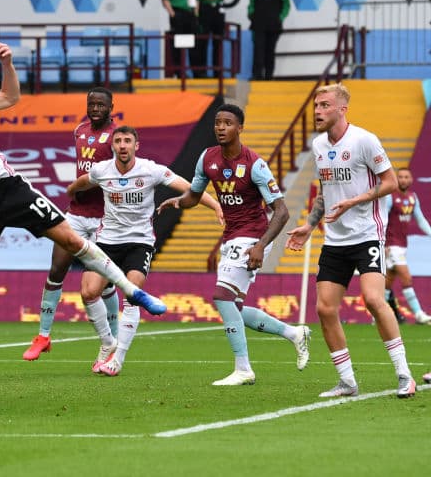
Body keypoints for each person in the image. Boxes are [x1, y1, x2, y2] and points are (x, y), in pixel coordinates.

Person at [0, 52, 169, 395]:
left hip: (8, 187)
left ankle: (134, 291)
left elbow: (10, 97)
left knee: (71, 240)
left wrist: (7, 64)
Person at [158, 104, 310, 386]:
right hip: (230, 236)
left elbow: (282, 211)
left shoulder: (255, 164)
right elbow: (195, 194)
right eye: (217, 123)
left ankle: (243, 369)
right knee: (235, 308)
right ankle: (294, 333)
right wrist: (179, 202)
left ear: (240, 128)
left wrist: (262, 246)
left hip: (252, 234)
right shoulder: (207, 158)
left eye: (227, 123)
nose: (220, 127)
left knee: (222, 296)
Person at [286, 83, 416, 398]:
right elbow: (325, 191)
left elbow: (388, 183)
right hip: (335, 240)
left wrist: (355, 201)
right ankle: (347, 381)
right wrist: (309, 224)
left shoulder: (364, 140)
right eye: (316, 106)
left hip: (367, 234)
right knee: (326, 309)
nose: (317, 111)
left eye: (325, 105)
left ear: (342, 109)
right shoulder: (318, 146)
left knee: (373, 299)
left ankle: (404, 374)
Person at [63, 126, 221, 376]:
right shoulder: (101, 170)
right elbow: (82, 183)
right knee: (88, 292)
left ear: (137, 145)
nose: (123, 145)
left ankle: (118, 359)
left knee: (133, 295)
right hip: (107, 241)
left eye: (128, 141)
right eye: (118, 141)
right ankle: (107, 343)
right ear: (112, 146)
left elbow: (189, 188)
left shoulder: (151, 170)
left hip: (140, 242)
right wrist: (72, 193)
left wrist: (215, 206)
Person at [24, 88, 121, 362]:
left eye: (101, 104)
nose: (96, 108)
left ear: (111, 106)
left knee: (106, 280)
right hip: (77, 214)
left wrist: (82, 184)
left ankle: (112, 341)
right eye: (92, 103)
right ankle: (43, 336)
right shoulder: (79, 130)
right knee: (57, 269)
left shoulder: (117, 136)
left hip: (105, 217)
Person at [381, 167, 431, 324]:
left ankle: (378, 316)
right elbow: (383, 220)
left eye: (406, 177)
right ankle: (418, 314)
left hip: (402, 244)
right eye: (400, 177)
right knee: (406, 278)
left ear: (411, 180)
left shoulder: (412, 197)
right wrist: (383, 242)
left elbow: (421, 219)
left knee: (387, 283)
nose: (403, 179)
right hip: (391, 244)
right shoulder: (390, 197)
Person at [247, 0, 291, 81]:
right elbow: (251, 2)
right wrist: (251, 14)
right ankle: (257, 75)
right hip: (258, 24)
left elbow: (286, 5)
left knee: (270, 51)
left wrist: (280, 18)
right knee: (258, 50)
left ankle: (268, 76)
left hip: (274, 25)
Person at [161, 0, 201, 78]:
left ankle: (196, 72)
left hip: (190, 14)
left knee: (194, 44)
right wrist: (172, 13)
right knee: (179, 44)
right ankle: (180, 72)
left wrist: (196, 14)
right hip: (178, 13)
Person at [197, 0, 230, 79]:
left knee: (218, 41)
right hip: (204, 10)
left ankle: (217, 71)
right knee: (202, 41)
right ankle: (202, 71)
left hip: (218, 11)